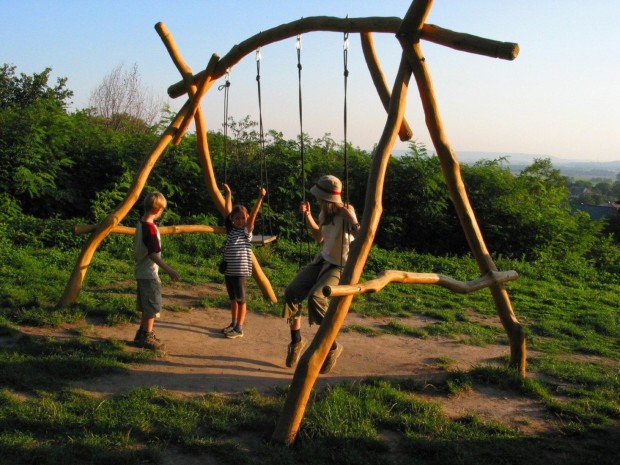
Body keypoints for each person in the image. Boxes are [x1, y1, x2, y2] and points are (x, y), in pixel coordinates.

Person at [282, 174, 360, 373]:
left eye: (318, 196)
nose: (316, 199)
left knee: (316, 297)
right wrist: (308, 216)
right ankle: (297, 341)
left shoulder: (346, 212)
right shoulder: (325, 212)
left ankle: (331, 346)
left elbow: (362, 238)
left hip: (339, 266)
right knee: (292, 292)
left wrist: (353, 220)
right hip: (322, 260)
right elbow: (319, 237)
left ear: (326, 198)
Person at [133, 191, 180, 350]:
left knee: (146, 306)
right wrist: (169, 270)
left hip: (141, 272)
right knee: (152, 306)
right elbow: (153, 254)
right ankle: (147, 335)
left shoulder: (140, 225)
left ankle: (141, 333)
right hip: (149, 274)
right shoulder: (151, 229)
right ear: (157, 210)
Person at [220, 183, 267, 339]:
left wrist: (260, 197)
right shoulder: (232, 230)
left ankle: (239, 327)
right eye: (237, 218)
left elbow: (253, 215)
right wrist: (228, 194)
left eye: (243, 218)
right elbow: (228, 211)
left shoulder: (246, 232)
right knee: (233, 299)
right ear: (233, 220)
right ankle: (233, 323)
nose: (240, 220)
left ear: (246, 219)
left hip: (240, 272)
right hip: (229, 271)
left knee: (241, 300)